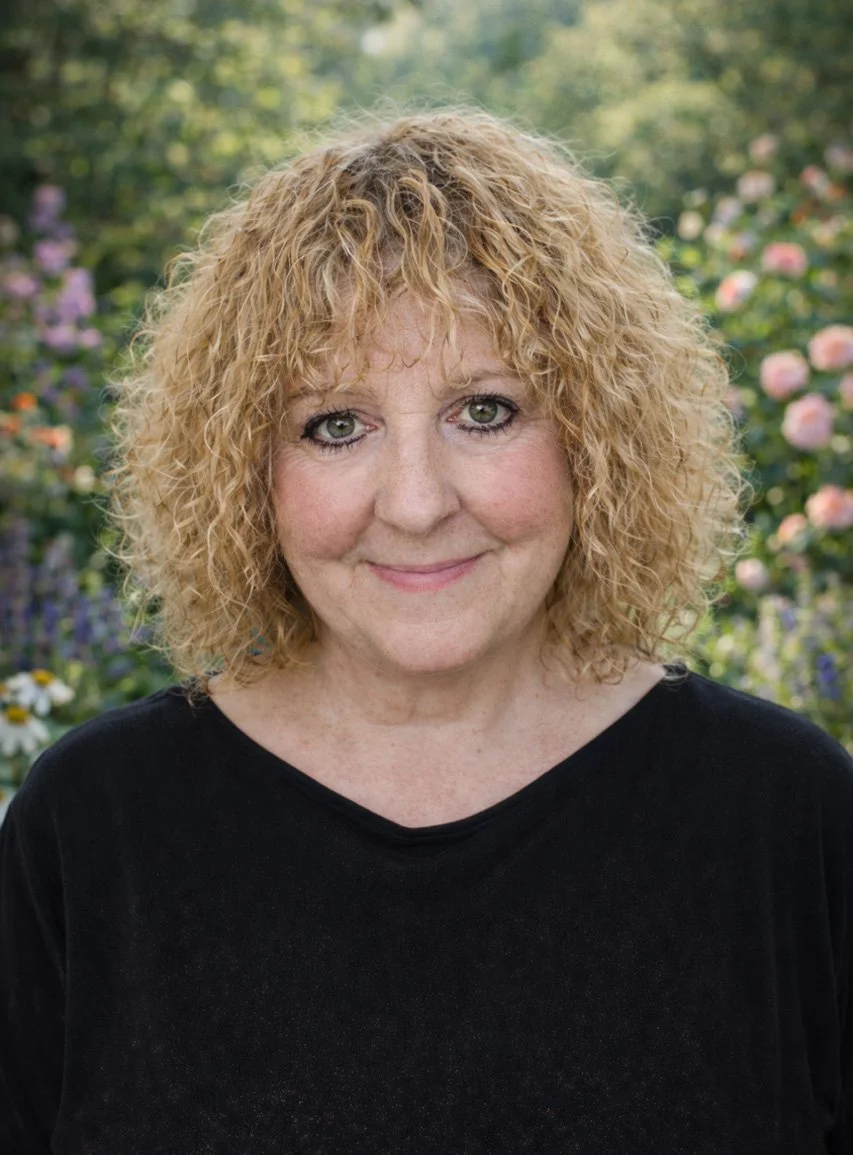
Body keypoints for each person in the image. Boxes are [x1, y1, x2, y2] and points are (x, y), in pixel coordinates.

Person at [1, 109, 852, 1155]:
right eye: (335, 425)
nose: (414, 503)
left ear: (596, 436)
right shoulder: (91, 830)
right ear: (243, 473)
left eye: (484, 411)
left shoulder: (786, 816)